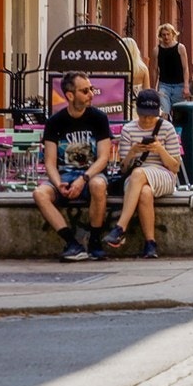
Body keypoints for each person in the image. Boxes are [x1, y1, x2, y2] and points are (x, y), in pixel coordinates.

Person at [34, 72, 113, 261]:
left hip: (91, 175)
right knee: (39, 193)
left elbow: (103, 158)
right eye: (85, 91)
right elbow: (50, 162)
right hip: (65, 176)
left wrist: (83, 179)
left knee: (98, 185)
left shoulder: (99, 118)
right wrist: (58, 183)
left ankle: (95, 241)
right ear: (70, 95)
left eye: (91, 89)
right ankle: (72, 243)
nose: (91, 94)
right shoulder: (55, 122)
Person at [104, 90, 183, 259]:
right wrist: (132, 152)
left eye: (151, 116)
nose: (147, 120)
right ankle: (150, 243)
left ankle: (120, 228)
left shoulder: (167, 128)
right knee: (144, 192)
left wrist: (160, 149)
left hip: (163, 174)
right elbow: (124, 169)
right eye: (143, 116)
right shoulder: (129, 129)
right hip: (134, 179)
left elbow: (175, 167)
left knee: (139, 174)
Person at [153, 23, 193, 115]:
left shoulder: (180, 48)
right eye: (164, 34)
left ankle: (176, 129)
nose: (166, 37)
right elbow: (155, 70)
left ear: (173, 34)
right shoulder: (157, 50)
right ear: (160, 36)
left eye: (168, 34)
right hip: (164, 85)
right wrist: (154, 87)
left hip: (179, 85)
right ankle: (166, 128)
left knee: (178, 113)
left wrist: (186, 86)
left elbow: (185, 68)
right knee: (164, 111)